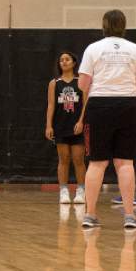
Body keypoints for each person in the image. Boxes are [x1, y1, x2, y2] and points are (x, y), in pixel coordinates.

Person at [75, 9, 136, 230]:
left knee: (97, 163)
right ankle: (129, 216)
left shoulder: (93, 48)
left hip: (99, 106)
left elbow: (82, 85)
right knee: (125, 162)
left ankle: (90, 215)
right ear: (124, 25)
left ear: (104, 25)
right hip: (127, 105)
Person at [45, 51, 86, 204]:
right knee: (63, 159)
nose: (64, 62)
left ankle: (81, 190)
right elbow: (51, 105)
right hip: (60, 125)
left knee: (78, 159)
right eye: (61, 60)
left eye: (67, 59)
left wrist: (81, 121)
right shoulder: (54, 83)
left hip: (77, 126)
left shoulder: (81, 81)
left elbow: (86, 104)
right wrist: (49, 125)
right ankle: (63, 190)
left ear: (74, 63)